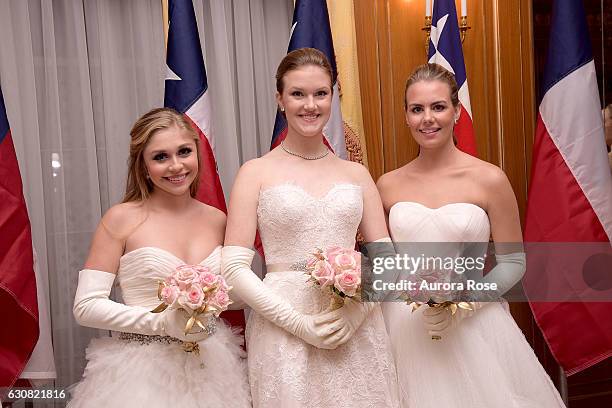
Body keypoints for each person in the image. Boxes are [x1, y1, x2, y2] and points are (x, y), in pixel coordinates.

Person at [377, 63, 566, 407]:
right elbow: (383, 265)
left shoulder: (489, 179)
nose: (427, 118)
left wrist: (464, 304)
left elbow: (513, 261)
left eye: (438, 107)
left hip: (474, 322)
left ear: (457, 111)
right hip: (405, 326)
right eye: (417, 109)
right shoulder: (387, 185)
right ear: (406, 116)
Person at [222, 48, 399, 407]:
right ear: (280, 99)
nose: (310, 105)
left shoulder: (357, 174)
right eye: (298, 94)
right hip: (282, 324)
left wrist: (355, 314)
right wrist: (297, 323)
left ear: (333, 96)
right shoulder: (255, 172)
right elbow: (234, 268)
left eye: (320, 93)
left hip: (354, 325)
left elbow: (389, 261)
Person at [68, 108, 250, 407]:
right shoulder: (121, 219)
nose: (176, 165)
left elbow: (234, 294)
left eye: (184, 152)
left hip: (213, 367)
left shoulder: (218, 219)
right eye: (160, 157)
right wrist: (163, 322)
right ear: (142, 165)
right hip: (142, 374)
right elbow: (86, 306)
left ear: (197, 153)